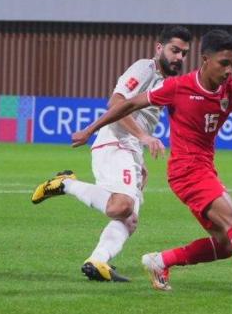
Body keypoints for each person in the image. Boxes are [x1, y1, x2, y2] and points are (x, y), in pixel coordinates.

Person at [71, 29, 232, 296]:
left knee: (227, 244)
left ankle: (160, 261)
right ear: (206, 60)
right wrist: (90, 129)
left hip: (205, 168)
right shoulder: (177, 86)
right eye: (224, 63)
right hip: (186, 170)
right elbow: (127, 104)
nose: (229, 70)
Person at [31, 25, 192, 281]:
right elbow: (116, 103)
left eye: (184, 53)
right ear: (159, 48)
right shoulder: (145, 68)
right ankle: (66, 185)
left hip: (130, 149)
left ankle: (97, 261)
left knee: (131, 219)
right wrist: (141, 136)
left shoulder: (166, 81)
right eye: (175, 50)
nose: (179, 58)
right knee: (122, 206)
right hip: (115, 141)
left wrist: (139, 154)